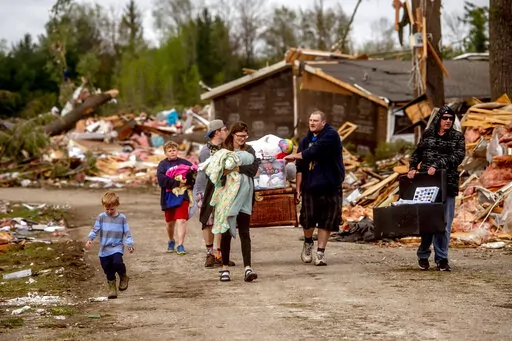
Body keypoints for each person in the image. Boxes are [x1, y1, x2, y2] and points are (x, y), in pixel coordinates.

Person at [408, 105, 465, 271]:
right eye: (445, 118)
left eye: (450, 118)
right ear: (439, 119)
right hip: (427, 184)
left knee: (444, 223)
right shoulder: (428, 134)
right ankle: (423, 255)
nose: (448, 121)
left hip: (447, 184)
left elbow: (458, 156)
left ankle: (442, 258)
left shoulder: (457, 137)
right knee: (427, 221)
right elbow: (417, 152)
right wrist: (412, 167)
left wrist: (438, 164)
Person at [285, 110, 344, 266]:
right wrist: (298, 189)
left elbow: (314, 151)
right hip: (311, 187)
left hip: (331, 185)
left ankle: (320, 253)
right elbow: (300, 168)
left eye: (315, 121)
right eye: (310, 120)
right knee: (308, 220)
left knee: (328, 220)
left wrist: (295, 155)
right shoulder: (305, 141)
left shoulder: (331, 135)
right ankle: (308, 242)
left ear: (323, 122)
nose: (312, 123)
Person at [205, 121, 259, 282]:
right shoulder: (224, 151)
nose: (243, 139)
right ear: (233, 135)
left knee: (244, 232)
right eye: (240, 136)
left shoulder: (250, 150)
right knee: (226, 232)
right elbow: (217, 173)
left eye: (245, 136)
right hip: (227, 197)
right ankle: (225, 268)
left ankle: (248, 268)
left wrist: (236, 169)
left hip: (245, 196)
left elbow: (253, 169)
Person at [195, 119, 230, 267]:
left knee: (220, 222)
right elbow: (211, 171)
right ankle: (210, 255)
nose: (226, 131)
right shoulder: (206, 151)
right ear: (217, 132)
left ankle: (219, 254)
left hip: (221, 189)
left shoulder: (225, 148)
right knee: (207, 222)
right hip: (205, 189)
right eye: (224, 129)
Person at [85, 191, 134, 299]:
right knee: (107, 268)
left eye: (111, 209)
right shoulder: (101, 217)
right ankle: (112, 288)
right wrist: (90, 239)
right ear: (103, 206)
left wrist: (130, 244)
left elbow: (127, 232)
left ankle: (123, 275)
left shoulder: (122, 218)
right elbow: (95, 229)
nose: (109, 211)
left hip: (117, 246)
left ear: (116, 205)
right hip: (104, 248)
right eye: (107, 209)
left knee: (117, 262)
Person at [157, 140, 194, 255]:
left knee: (182, 220)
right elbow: (161, 180)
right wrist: (177, 183)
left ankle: (181, 245)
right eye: (170, 151)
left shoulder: (185, 163)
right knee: (170, 222)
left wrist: (188, 183)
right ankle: (171, 240)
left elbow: (193, 175)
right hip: (168, 197)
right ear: (166, 153)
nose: (173, 152)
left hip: (183, 196)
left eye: (174, 150)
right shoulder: (162, 165)